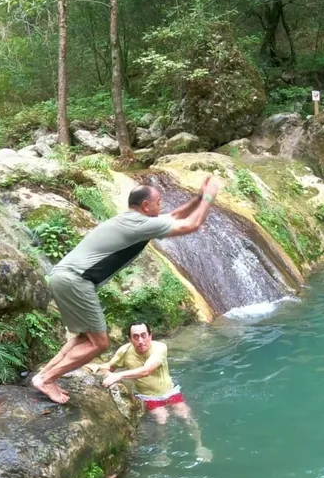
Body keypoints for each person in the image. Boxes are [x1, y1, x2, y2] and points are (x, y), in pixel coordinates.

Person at [32, 178, 221, 404]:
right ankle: (46, 378)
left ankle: (45, 375)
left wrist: (198, 198)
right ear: (145, 206)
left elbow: (173, 217)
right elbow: (192, 225)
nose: (161, 207)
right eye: (158, 202)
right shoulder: (141, 224)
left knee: (83, 338)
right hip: (77, 281)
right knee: (99, 343)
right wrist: (209, 197)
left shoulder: (133, 220)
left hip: (61, 276)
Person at [92, 322, 212, 461]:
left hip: (170, 392)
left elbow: (146, 370)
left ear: (150, 336)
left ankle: (199, 446)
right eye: (135, 337)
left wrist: (120, 375)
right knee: (162, 418)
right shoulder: (124, 351)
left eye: (144, 336)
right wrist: (99, 367)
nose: (140, 341)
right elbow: (110, 366)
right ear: (130, 339)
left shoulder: (160, 348)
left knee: (185, 414)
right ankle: (163, 452)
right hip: (148, 396)